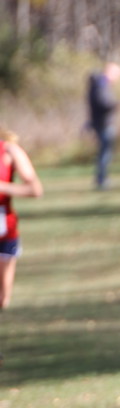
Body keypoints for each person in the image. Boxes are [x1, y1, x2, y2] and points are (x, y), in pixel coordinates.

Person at [0, 126, 44, 311]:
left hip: (4, 231)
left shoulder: (9, 151)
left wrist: (3, 187)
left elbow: (35, 189)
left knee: (3, 299)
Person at [87, 61, 120, 190]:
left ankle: (102, 178)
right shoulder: (101, 84)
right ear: (110, 73)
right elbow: (102, 102)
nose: (117, 78)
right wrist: (114, 105)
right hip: (103, 123)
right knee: (105, 153)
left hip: (102, 122)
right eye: (117, 75)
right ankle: (102, 180)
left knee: (105, 153)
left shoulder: (101, 83)